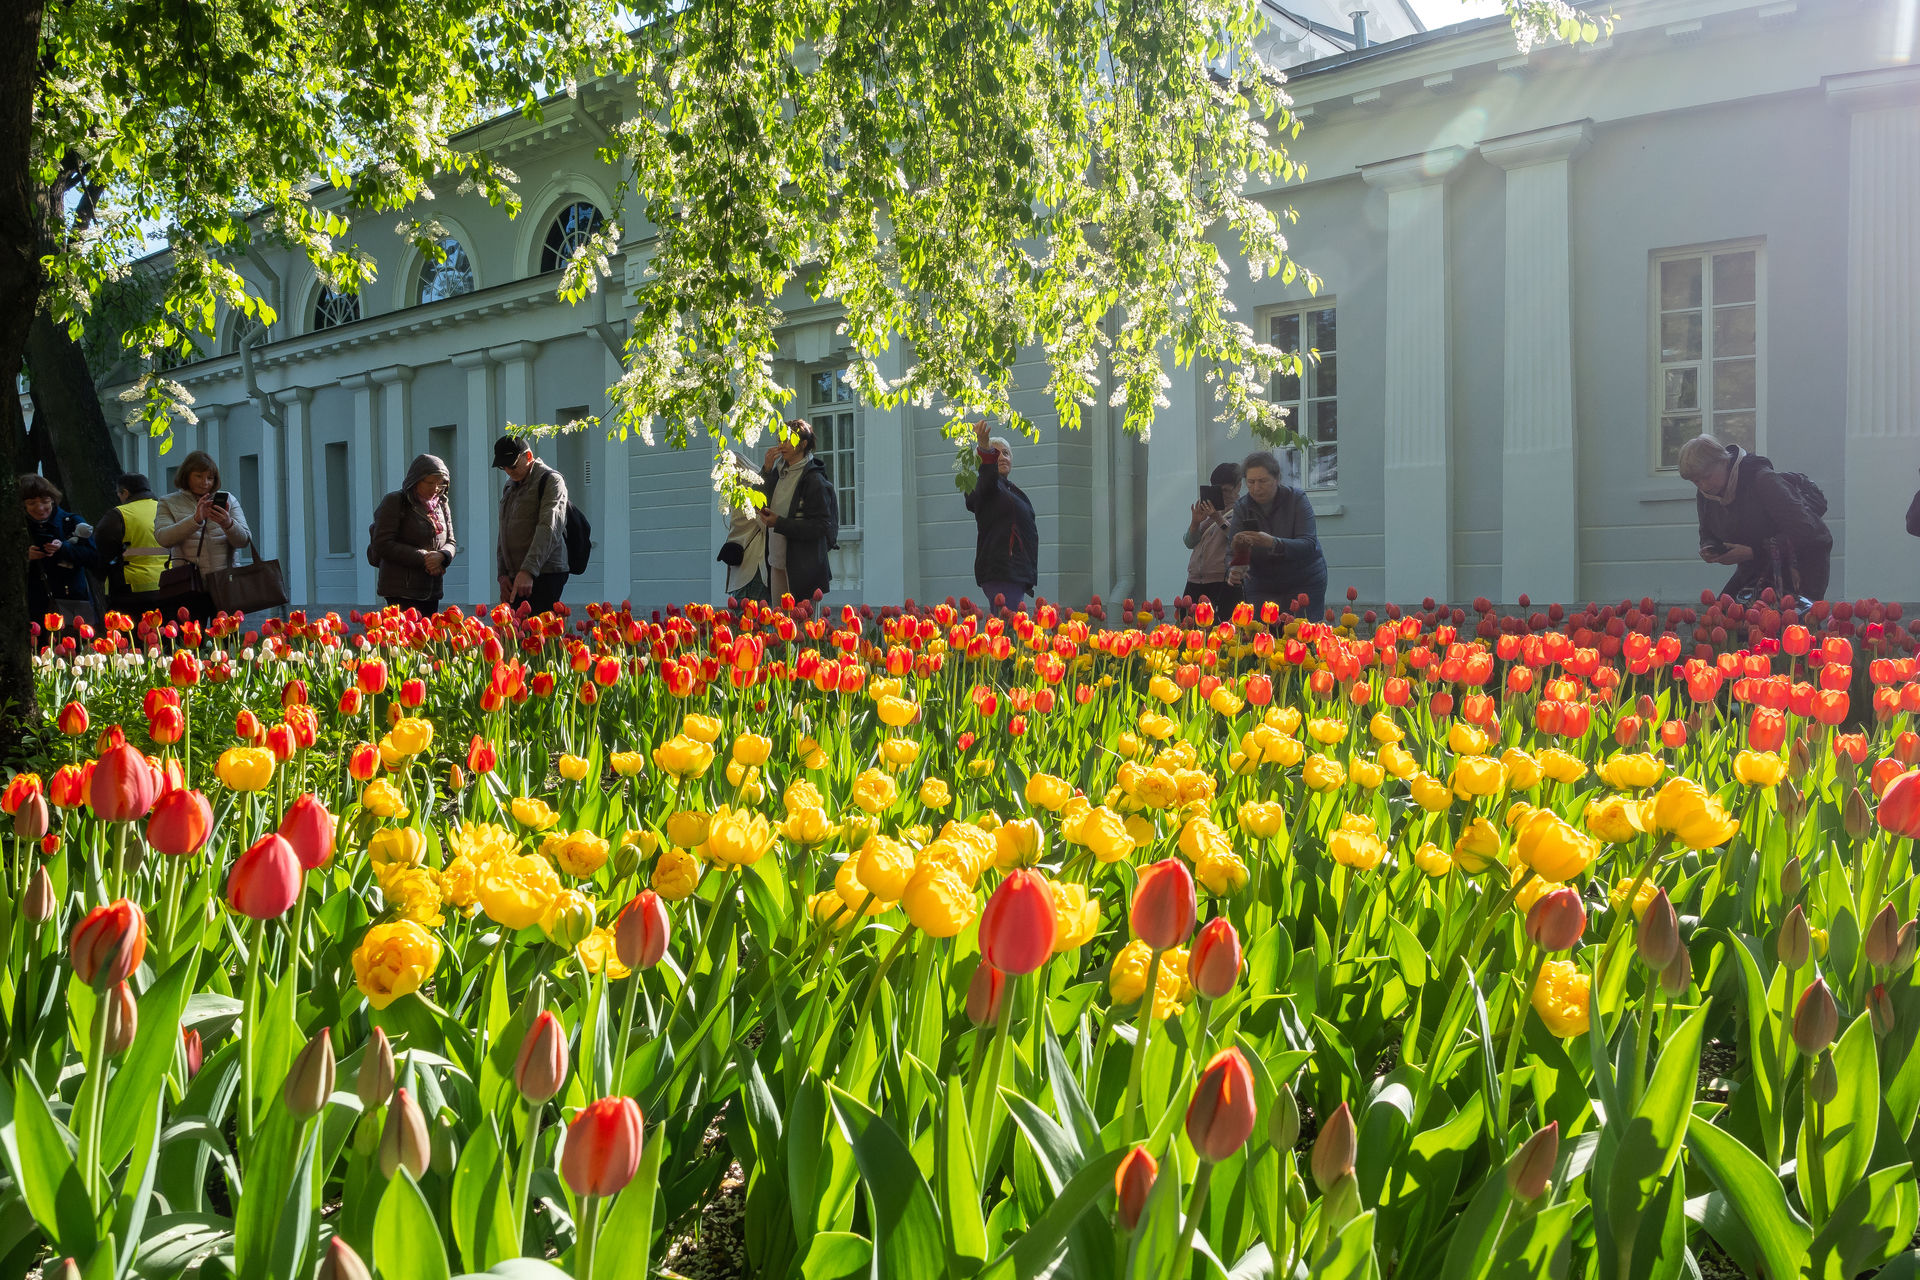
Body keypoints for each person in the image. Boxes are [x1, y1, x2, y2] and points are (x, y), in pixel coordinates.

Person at [1677, 434, 1831, 602]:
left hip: (1800, 567)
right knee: (1723, 617)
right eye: (1696, 481)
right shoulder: (1707, 494)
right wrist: (1711, 547)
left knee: (1782, 624)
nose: (1704, 485)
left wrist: (1753, 552)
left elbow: (1805, 531)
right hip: (1756, 567)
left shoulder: (1763, 480)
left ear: (1723, 461)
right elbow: (1707, 531)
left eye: (1707, 476)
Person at [154, 450, 251, 620]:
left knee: (227, 642)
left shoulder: (228, 499)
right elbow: (163, 538)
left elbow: (244, 540)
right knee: (191, 641)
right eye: (198, 476)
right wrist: (195, 519)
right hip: (188, 585)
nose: (205, 482)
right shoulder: (168, 502)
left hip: (224, 582)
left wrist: (227, 523)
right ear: (186, 476)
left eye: (210, 477)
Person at [1230, 450, 1327, 620]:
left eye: (1263, 481)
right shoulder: (1242, 506)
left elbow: (1308, 544)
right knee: (1262, 639)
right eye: (1251, 482)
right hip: (1261, 584)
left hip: (1303, 580)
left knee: (1301, 638)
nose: (1256, 488)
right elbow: (1232, 547)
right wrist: (1234, 568)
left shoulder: (1297, 499)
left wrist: (1275, 543)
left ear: (1277, 478)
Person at [758, 419, 838, 604]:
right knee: (780, 624)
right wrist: (766, 470)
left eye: (788, 440)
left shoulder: (814, 479)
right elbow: (757, 502)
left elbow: (820, 526)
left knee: (802, 629)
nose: (782, 444)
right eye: (780, 439)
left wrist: (779, 523)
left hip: (803, 567)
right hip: (776, 561)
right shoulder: (778, 472)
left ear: (803, 444)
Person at [965, 420, 1039, 612]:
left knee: (1012, 634)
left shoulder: (1011, 490)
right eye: (995, 454)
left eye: (1006, 453)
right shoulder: (983, 486)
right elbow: (987, 479)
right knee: (1008, 634)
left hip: (1017, 573)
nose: (1002, 457)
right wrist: (983, 446)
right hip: (1002, 571)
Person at [493, 436, 570, 615]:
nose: (508, 471)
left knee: (537, 637)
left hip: (544, 572)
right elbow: (503, 531)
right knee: (518, 637)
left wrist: (528, 570)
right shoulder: (509, 486)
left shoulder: (551, 480)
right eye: (503, 466)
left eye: (512, 465)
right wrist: (502, 574)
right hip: (516, 575)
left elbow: (548, 526)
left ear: (528, 456)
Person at [372, 453, 457, 613]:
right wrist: (424, 558)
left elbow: (451, 542)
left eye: (441, 484)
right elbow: (382, 543)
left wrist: (442, 556)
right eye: (430, 483)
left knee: (428, 637)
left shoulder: (442, 505)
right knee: (405, 636)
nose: (436, 489)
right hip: (401, 590)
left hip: (431, 588)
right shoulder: (396, 501)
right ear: (416, 480)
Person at [21, 474, 99, 623]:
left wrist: (64, 548)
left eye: (45, 501)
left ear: (53, 499)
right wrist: (24, 556)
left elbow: (94, 558)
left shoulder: (71, 522)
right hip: (33, 602)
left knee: (74, 644)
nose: (40, 508)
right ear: (23, 505)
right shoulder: (17, 528)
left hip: (72, 599)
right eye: (32, 503)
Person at [92, 472, 170, 606]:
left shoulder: (118, 515)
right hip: (168, 585)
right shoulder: (165, 509)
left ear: (125, 492)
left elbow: (102, 553)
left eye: (119, 495)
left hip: (131, 591)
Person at [1184, 461, 1243, 612]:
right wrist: (1195, 523)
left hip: (1220, 581)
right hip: (1195, 580)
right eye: (1217, 490)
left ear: (1238, 486)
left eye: (1225, 490)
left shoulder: (1242, 511)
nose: (1221, 495)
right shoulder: (1210, 513)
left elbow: (1238, 538)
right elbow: (1189, 542)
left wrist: (1218, 518)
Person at [718, 460, 770, 604]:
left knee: (746, 620)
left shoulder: (738, 495)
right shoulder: (752, 495)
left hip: (743, 569)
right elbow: (768, 527)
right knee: (755, 620)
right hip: (753, 566)